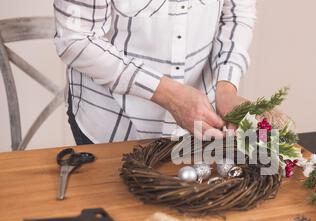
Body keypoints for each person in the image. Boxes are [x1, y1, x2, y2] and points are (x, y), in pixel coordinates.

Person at [53, 0, 256, 145]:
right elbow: (76, 40)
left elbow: (237, 15)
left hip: (203, 127)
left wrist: (226, 89)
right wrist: (169, 94)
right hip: (113, 125)